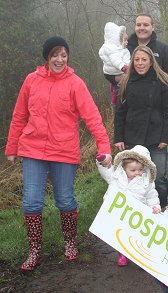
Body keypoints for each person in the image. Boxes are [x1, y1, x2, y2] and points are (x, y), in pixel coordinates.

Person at [5, 36, 112, 271]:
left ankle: (70, 243)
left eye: (64, 55)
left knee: (65, 199)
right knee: (31, 202)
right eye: (55, 54)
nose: (60, 59)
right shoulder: (31, 81)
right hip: (33, 150)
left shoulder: (75, 83)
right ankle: (34, 251)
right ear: (47, 57)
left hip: (64, 151)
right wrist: (12, 147)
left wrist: (104, 147)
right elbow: (19, 115)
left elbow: (92, 117)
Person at [114, 45, 168, 209]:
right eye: (137, 60)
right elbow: (120, 111)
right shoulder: (126, 82)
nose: (140, 63)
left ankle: (162, 210)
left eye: (144, 60)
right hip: (132, 137)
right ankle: (132, 212)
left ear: (151, 62)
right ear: (132, 62)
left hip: (156, 138)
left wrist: (166, 137)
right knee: (131, 177)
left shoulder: (162, 81)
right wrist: (118, 137)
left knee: (159, 178)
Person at [96, 145, 161, 266]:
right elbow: (106, 170)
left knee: (137, 237)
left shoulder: (147, 181)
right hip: (120, 211)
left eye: (141, 170)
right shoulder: (116, 176)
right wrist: (101, 161)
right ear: (124, 168)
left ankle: (139, 257)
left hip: (136, 215)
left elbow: (152, 196)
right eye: (133, 170)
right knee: (121, 234)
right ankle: (122, 254)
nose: (137, 173)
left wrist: (155, 207)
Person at [127, 13, 168, 86]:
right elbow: (109, 73)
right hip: (129, 95)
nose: (141, 28)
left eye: (146, 25)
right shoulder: (125, 49)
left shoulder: (165, 50)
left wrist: (152, 89)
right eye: (138, 25)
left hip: (157, 96)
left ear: (153, 27)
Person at [98, 22, 131, 105]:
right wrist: (124, 67)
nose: (127, 42)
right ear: (118, 40)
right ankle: (115, 100)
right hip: (115, 71)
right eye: (125, 40)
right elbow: (116, 61)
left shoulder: (120, 49)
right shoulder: (114, 50)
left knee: (117, 85)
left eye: (127, 40)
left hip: (116, 73)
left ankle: (114, 92)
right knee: (119, 86)